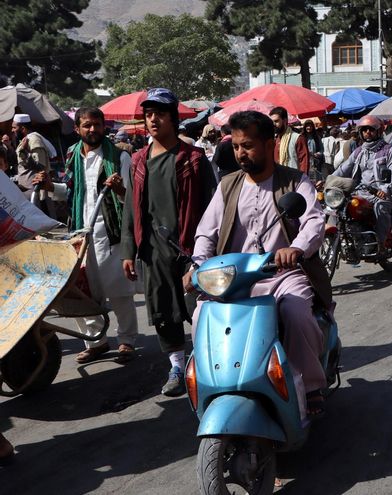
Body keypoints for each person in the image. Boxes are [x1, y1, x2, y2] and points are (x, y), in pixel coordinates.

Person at [190, 110, 331, 416]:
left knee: (295, 312)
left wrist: (295, 248)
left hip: (283, 275)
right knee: (203, 314)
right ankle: (211, 384)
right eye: (237, 146)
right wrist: (198, 266)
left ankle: (310, 385)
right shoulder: (227, 185)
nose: (241, 153)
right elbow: (206, 232)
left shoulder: (295, 181)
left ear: (270, 144)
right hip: (235, 278)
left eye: (249, 145)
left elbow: (314, 222)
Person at [119, 88, 217, 396]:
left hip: (190, 248)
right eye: (148, 115)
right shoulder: (139, 160)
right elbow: (131, 209)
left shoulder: (194, 159)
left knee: (200, 306)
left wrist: (211, 249)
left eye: (159, 113)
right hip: (153, 250)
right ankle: (177, 365)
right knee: (163, 310)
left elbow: (214, 206)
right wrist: (128, 250)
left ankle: (209, 362)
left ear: (173, 119)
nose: (153, 119)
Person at [35, 107, 140, 364]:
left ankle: (126, 340)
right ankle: (95, 341)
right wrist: (51, 187)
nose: (92, 130)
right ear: (77, 128)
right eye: (86, 125)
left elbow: (130, 199)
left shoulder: (118, 157)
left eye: (97, 124)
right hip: (79, 232)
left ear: (104, 127)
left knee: (119, 291)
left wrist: (119, 189)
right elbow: (69, 193)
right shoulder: (72, 156)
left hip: (110, 232)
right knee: (80, 290)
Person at [331, 115, 392, 248]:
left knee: (381, 208)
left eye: (371, 129)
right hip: (361, 192)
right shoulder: (359, 151)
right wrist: (328, 180)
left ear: (378, 131)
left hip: (381, 195)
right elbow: (343, 169)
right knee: (338, 207)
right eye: (364, 130)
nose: (367, 132)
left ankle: (381, 243)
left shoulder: (388, 150)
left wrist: (385, 190)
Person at [269, 107, 308, 171]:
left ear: (285, 120)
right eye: (272, 122)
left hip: (294, 179)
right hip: (278, 178)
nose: (273, 124)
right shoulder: (275, 140)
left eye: (276, 121)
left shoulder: (297, 138)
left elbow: (304, 163)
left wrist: (302, 180)